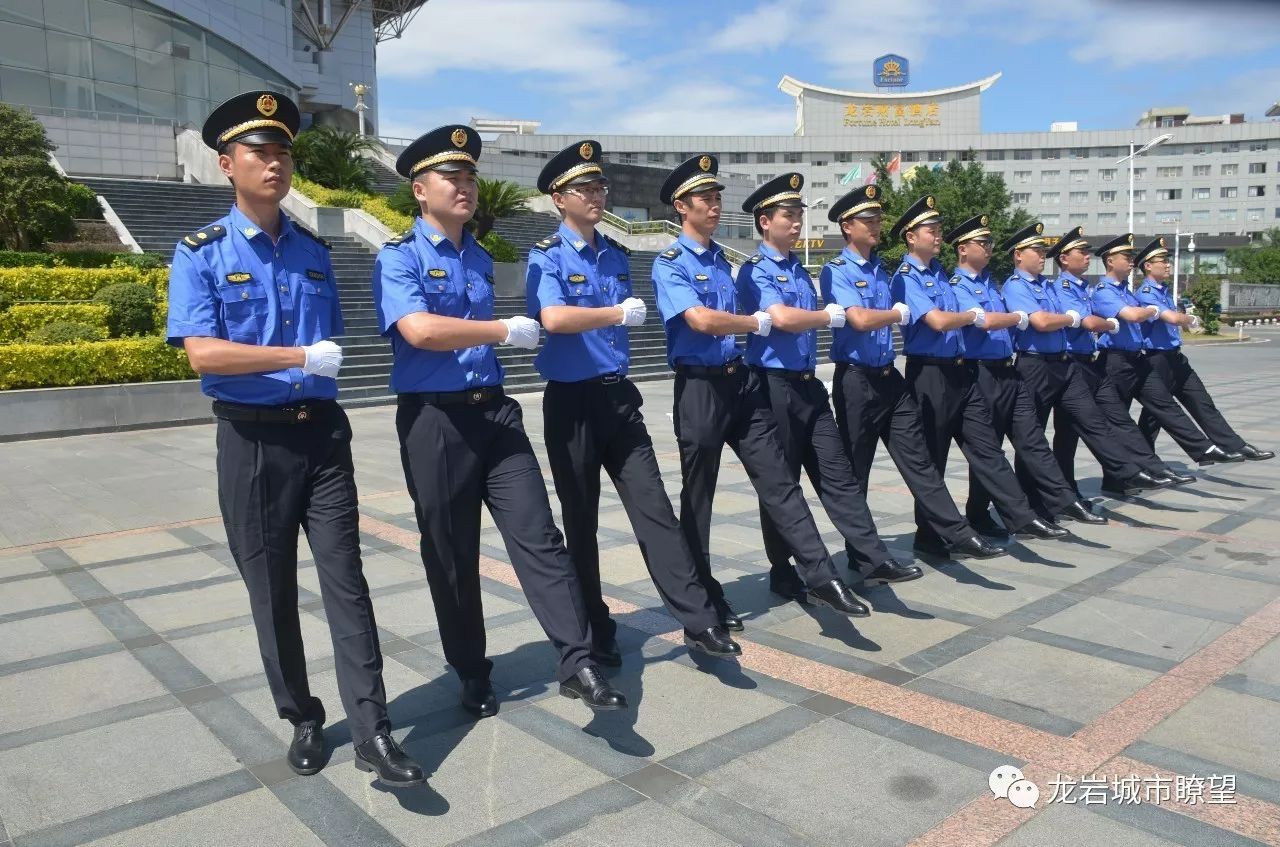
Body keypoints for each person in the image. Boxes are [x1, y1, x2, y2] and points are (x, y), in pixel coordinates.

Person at [166, 91, 423, 786]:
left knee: (348, 581)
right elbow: (202, 354)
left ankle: (373, 729)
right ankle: (303, 714)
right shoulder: (201, 254)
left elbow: (331, 336)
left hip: (323, 438)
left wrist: (311, 362)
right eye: (260, 151)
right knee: (272, 590)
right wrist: (292, 358)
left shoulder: (313, 250)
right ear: (226, 164)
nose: (275, 163)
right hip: (252, 444)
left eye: (283, 151)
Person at [372, 125, 626, 715]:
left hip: (496, 414)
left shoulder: (480, 256)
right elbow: (419, 330)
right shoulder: (399, 258)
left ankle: (577, 661)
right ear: (419, 190)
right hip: (435, 423)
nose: (466, 187)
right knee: (453, 553)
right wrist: (500, 330)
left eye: (470, 177)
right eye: (451, 178)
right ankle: (470, 668)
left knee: (539, 536)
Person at [525, 140, 740, 662]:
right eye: (585, 188)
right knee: (581, 521)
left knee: (656, 511)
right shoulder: (545, 257)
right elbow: (553, 319)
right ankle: (595, 627)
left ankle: (698, 620)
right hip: (571, 403)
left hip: (619, 400)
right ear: (559, 198)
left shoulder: (615, 254)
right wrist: (617, 314)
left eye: (600, 187)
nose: (597, 195)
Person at [651, 154, 870, 629]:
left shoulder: (722, 262)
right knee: (699, 497)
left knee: (780, 482)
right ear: (681, 208)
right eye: (705, 200)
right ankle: (703, 593)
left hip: (741, 382)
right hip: (700, 388)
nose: (714, 206)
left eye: (716, 198)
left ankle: (821, 575)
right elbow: (700, 321)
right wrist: (754, 321)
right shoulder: (670, 263)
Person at [735, 173, 923, 594]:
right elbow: (780, 318)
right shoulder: (754, 271)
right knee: (782, 482)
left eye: (800, 213)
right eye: (789, 214)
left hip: (807, 386)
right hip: (772, 386)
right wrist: (829, 317)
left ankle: (873, 558)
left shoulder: (800, 270)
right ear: (765, 221)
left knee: (838, 475)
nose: (797, 221)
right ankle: (783, 568)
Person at [821, 186, 1002, 562]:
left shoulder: (881, 272)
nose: (876, 225)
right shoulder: (835, 270)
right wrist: (897, 314)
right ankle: (863, 553)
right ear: (846, 227)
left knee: (919, 459)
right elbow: (858, 318)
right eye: (867, 220)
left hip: (889, 377)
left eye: (878, 219)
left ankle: (955, 533)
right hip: (856, 380)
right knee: (858, 470)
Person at [889, 195, 1069, 552]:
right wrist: (971, 317)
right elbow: (938, 321)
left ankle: (1021, 515)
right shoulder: (905, 277)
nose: (937, 236)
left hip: (959, 372)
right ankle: (929, 534)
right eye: (931, 230)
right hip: (929, 373)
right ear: (911, 236)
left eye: (939, 230)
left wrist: (973, 317)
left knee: (987, 448)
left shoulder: (939, 274)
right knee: (934, 457)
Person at [944, 216, 1104, 532]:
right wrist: (1017, 316)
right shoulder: (957, 286)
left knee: (1031, 439)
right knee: (988, 449)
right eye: (983, 243)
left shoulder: (990, 283)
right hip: (981, 373)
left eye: (990, 243)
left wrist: (1010, 318)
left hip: (1008, 370)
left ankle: (1059, 500)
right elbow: (985, 321)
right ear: (963, 249)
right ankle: (979, 513)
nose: (989, 249)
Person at [1045, 228, 1194, 495]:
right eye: (1082, 252)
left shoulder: (1083, 289)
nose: (1088, 256)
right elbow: (1090, 322)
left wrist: (1103, 324)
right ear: (1064, 259)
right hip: (1068, 362)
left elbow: (1092, 322)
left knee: (1107, 422)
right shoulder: (1064, 287)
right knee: (1068, 434)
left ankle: (1138, 471)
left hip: (1088, 362)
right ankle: (1066, 491)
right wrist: (1111, 323)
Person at [1088, 234, 1242, 468]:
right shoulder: (1104, 290)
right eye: (1126, 256)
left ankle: (1203, 449)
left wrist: (1148, 311)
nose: (1131, 261)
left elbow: (1140, 314)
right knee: (1119, 422)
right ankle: (1123, 474)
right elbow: (1132, 315)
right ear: (1110, 261)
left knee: (1165, 407)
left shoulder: (1126, 292)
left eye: (1132, 257)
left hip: (1137, 360)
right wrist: (1153, 310)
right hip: (1115, 362)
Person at [1132, 237, 1273, 463]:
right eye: (1162, 260)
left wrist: (1186, 320)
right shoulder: (1145, 293)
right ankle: (1145, 462)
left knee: (1202, 402)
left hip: (1175, 357)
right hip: (1156, 360)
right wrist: (1191, 319)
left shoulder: (1163, 291)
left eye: (1168, 260)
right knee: (1154, 416)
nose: (1168, 264)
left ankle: (1234, 445)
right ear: (1148, 266)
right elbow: (1172, 318)